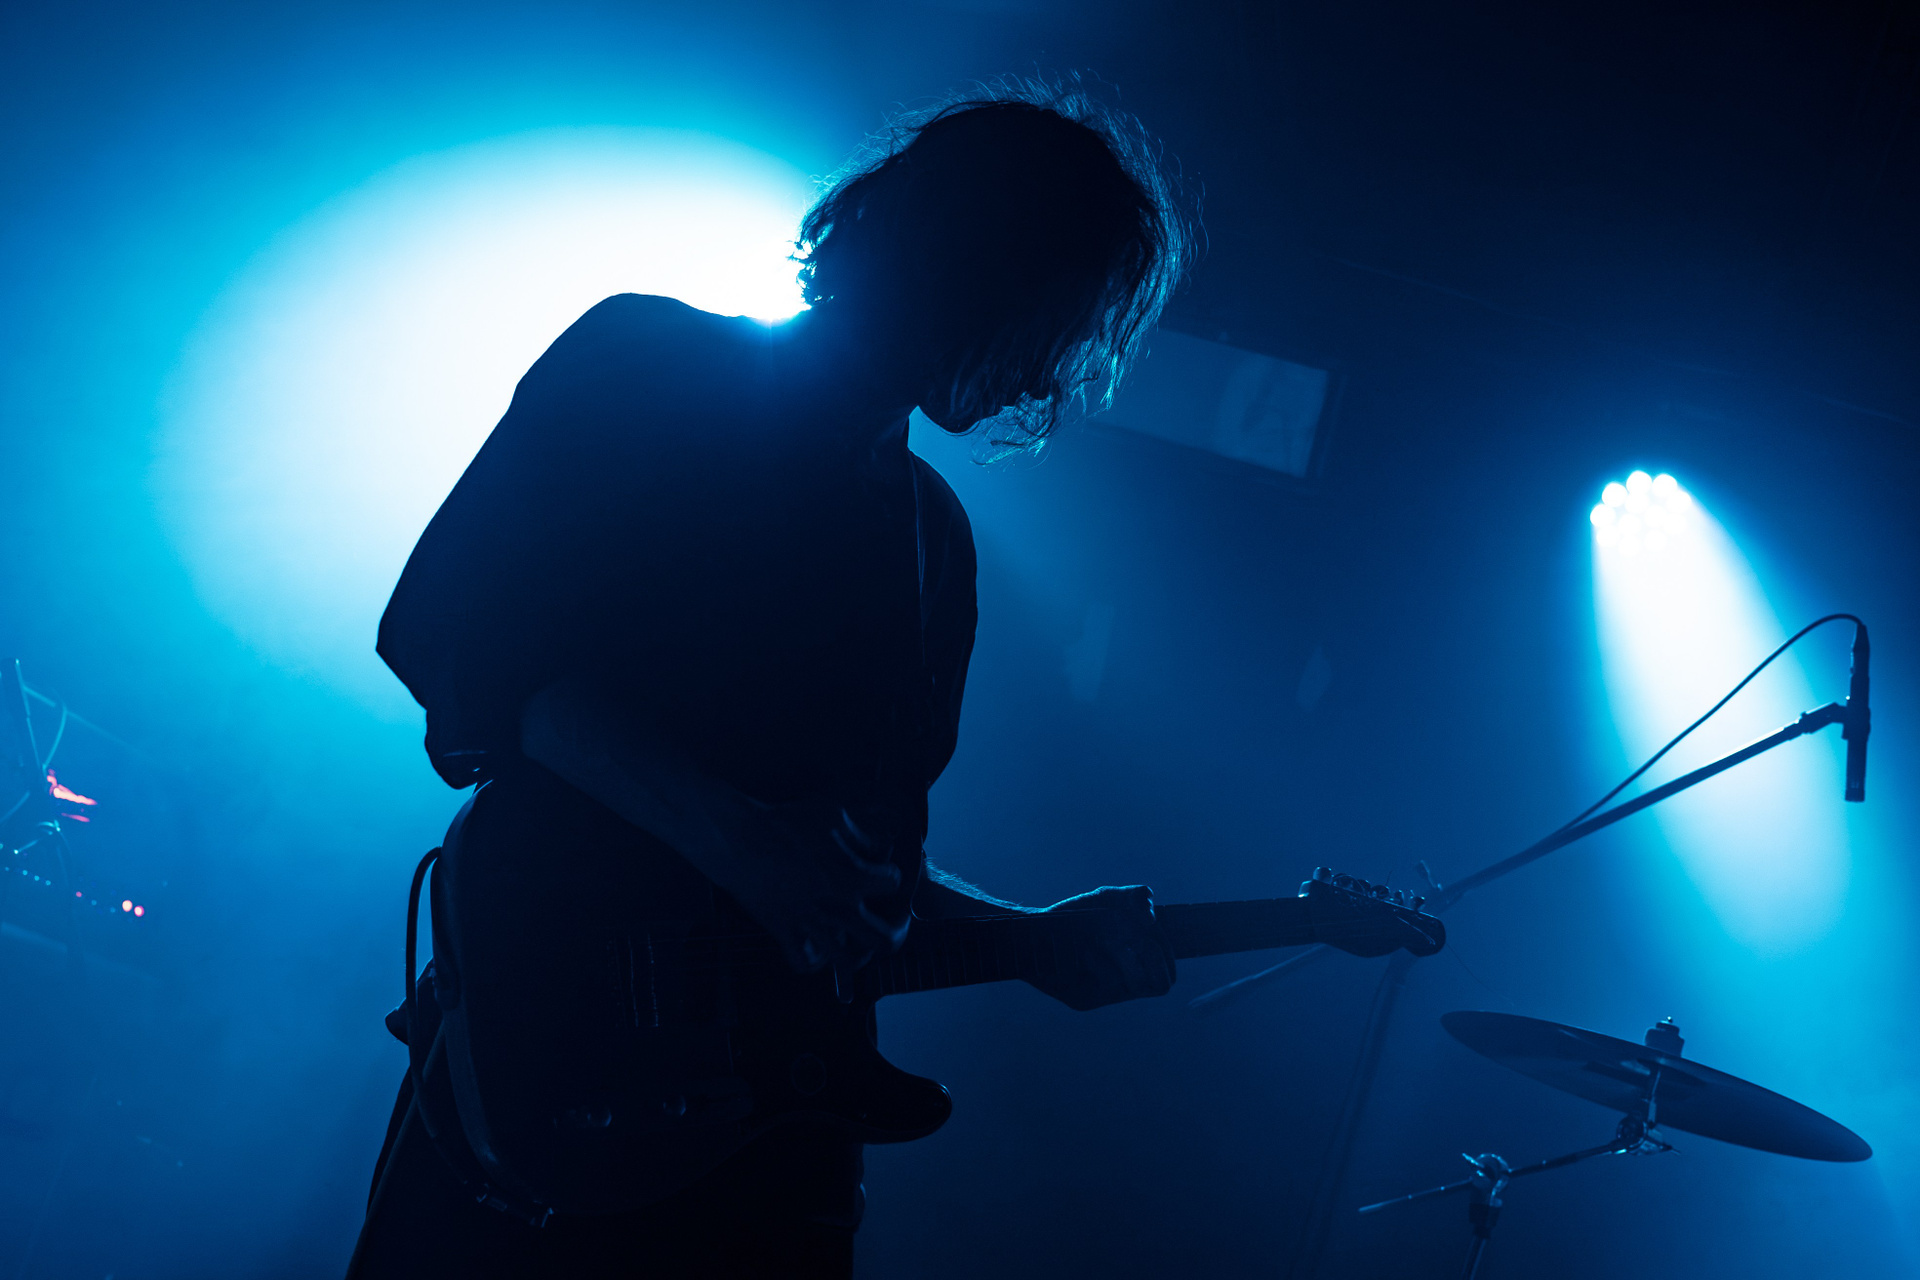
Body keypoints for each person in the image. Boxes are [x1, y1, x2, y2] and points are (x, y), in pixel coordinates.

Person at [346, 81, 1193, 1279]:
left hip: (773, 1154)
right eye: (1051, 317)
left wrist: (1030, 938)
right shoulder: (649, 361)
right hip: (552, 1069)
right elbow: (446, 630)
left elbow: (852, 872)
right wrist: (735, 839)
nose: (1048, 374)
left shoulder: (933, 539)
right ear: (970, 266)